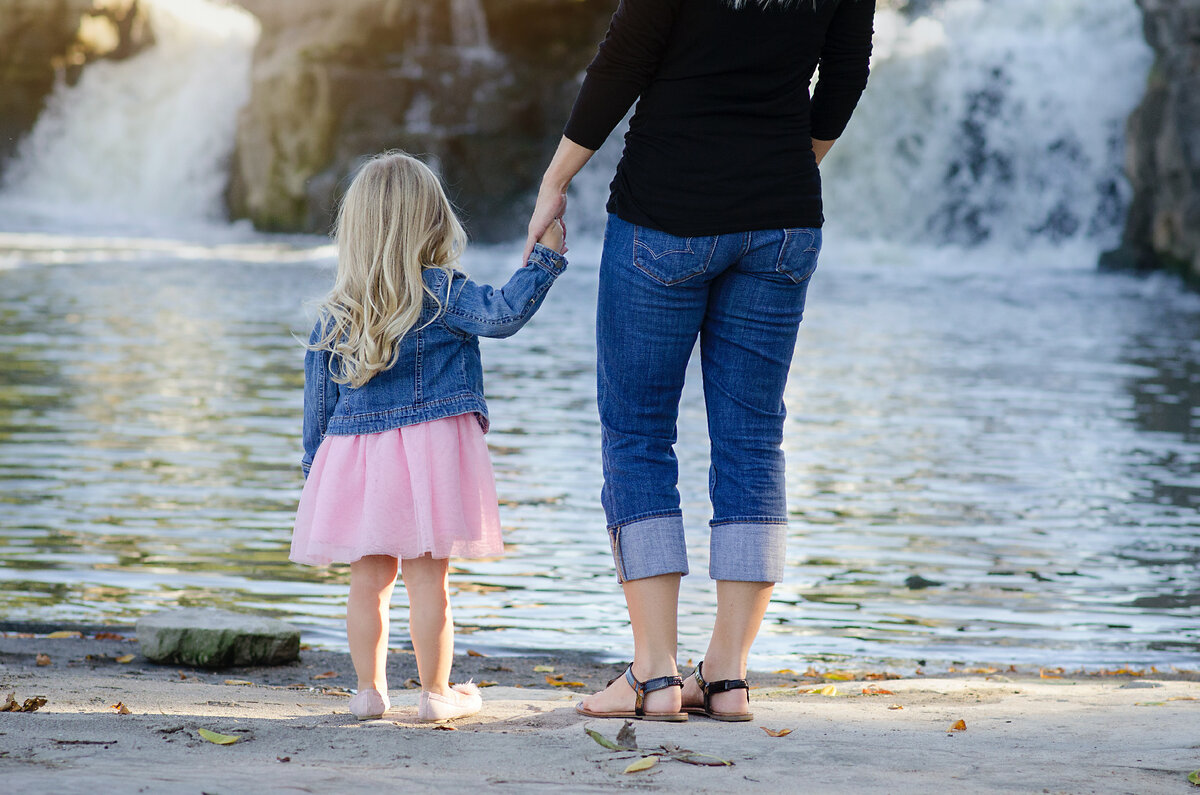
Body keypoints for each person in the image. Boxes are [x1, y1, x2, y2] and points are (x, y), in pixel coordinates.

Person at [524, 0, 874, 721]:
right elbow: (845, 75)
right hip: (781, 220)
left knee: (639, 433)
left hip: (665, 211)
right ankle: (728, 676)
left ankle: (654, 675)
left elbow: (624, 60)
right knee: (753, 440)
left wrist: (557, 179)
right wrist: (780, 168)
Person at [291, 151, 567, 722]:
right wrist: (545, 260)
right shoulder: (443, 292)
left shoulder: (337, 311)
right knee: (427, 580)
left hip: (356, 460)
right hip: (426, 454)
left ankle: (369, 693)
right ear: (435, 220)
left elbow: (317, 406)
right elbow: (504, 315)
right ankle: (436, 695)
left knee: (367, 581)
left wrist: (315, 472)